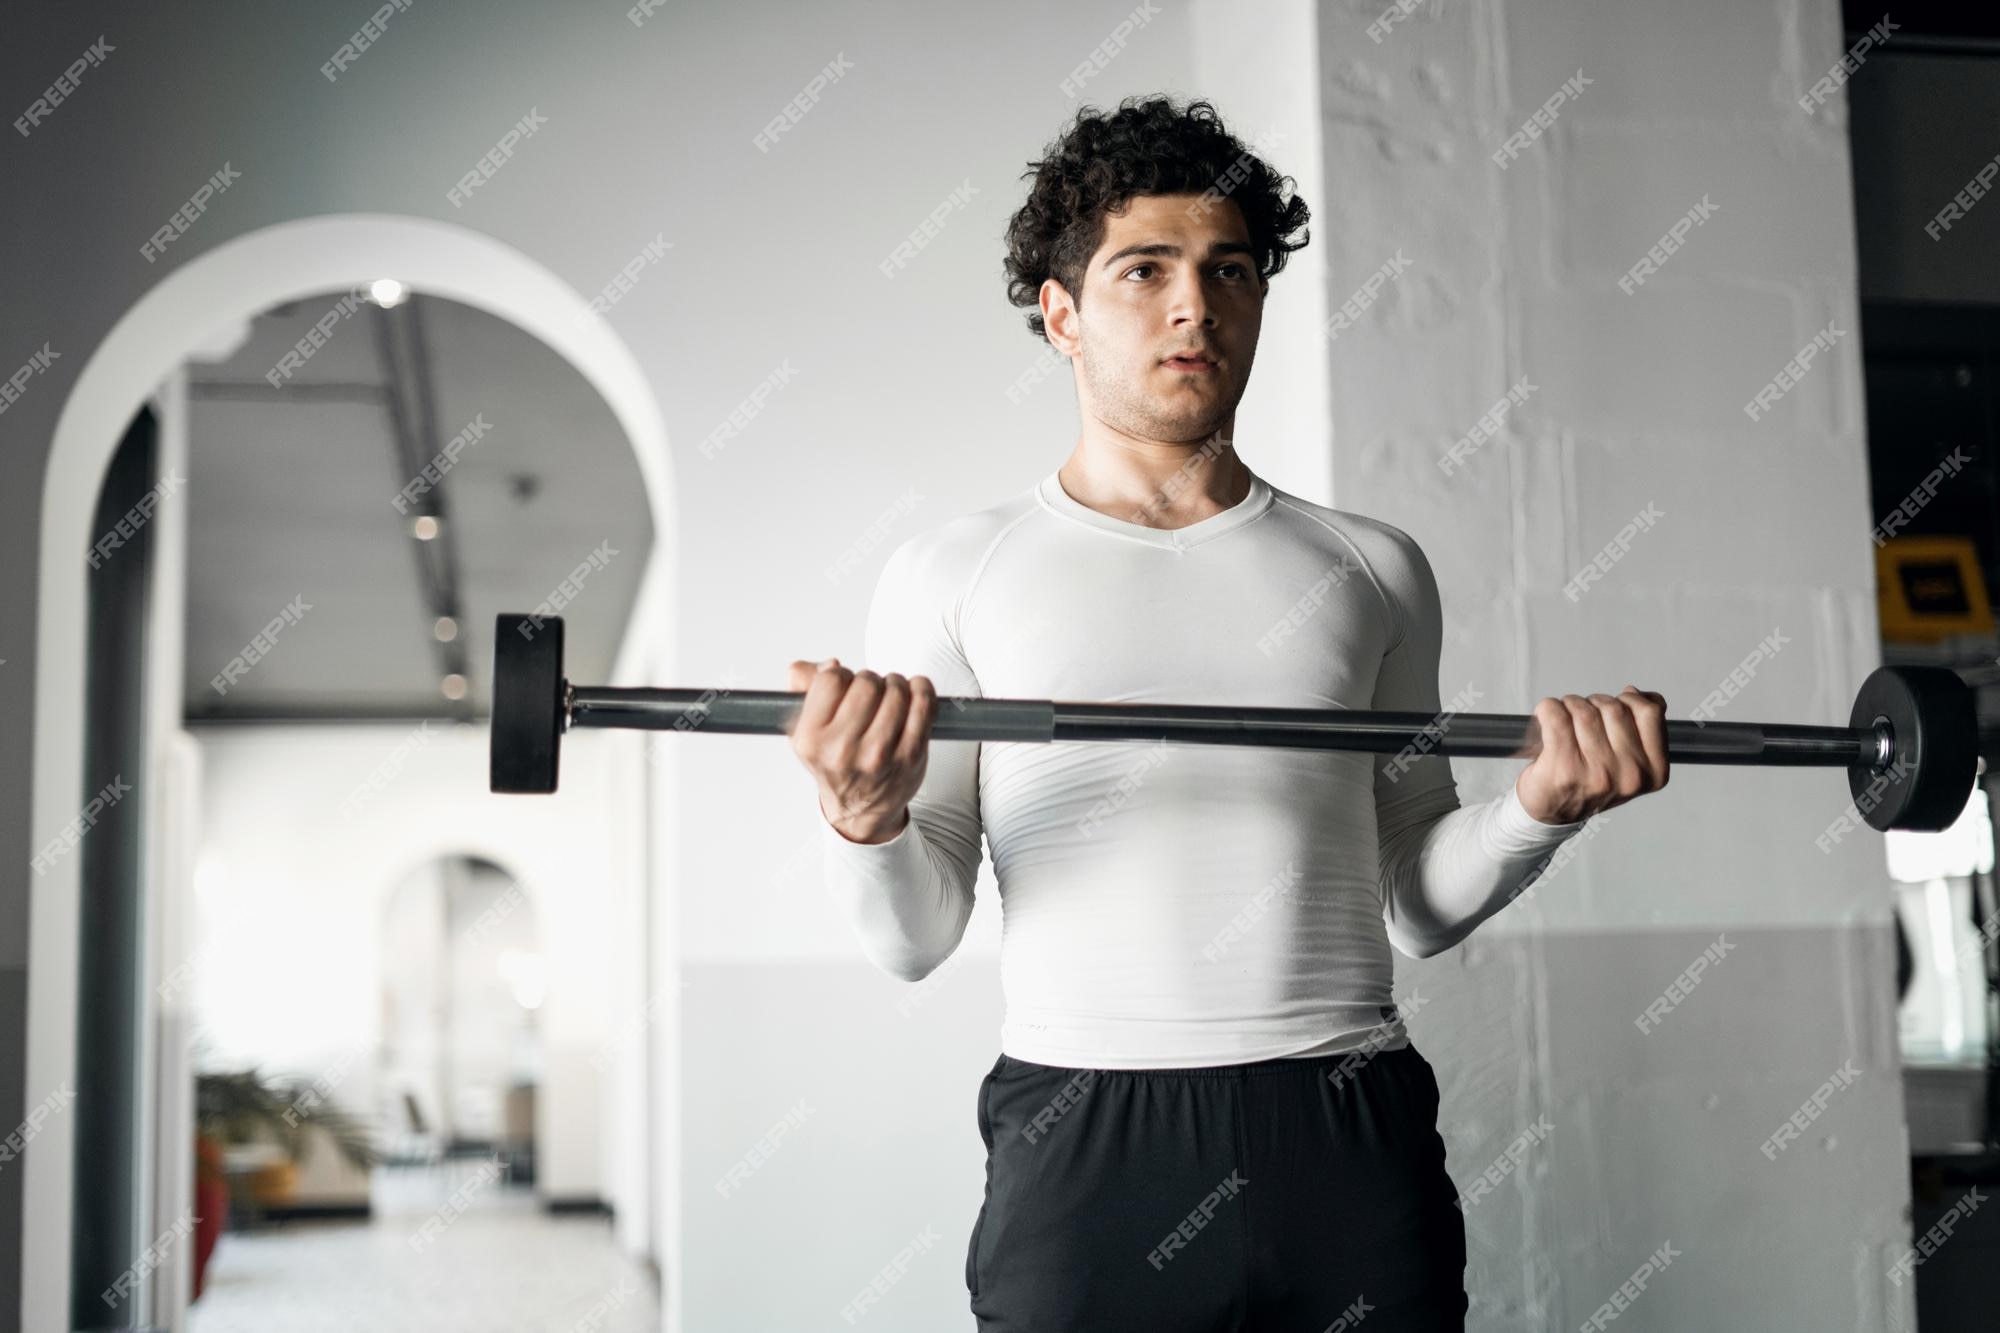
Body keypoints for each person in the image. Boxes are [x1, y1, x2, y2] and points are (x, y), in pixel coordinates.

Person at [787, 94, 1669, 1333]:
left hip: (1346, 1126)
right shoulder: (953, 571)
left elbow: (1415, 898)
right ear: (1061, 317)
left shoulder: (1372, 568)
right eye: (1142, 270)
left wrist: (1537, 810)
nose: (1192, 304)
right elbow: (911, 936)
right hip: (1086, 1139)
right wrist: (863, 818)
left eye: (1227, 270)